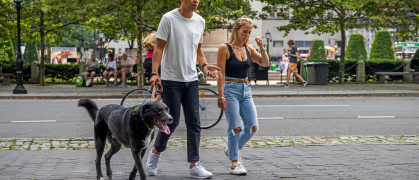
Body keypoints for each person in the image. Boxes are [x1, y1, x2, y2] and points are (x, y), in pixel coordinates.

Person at [146, 0, 220, 179]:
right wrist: (155, 72)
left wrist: (204, 65)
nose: (195, 1)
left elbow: (198, 49)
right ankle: (155, 153)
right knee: (172, 121)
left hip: (191, 80)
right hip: (171, 80)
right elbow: (159, 47)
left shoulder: (200, 21)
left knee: (194, 123)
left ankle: (195, 164)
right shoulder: (169, 19)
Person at [216, 16, 269, 175]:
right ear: (236, 30)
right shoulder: (224, 48)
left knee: (253, 127)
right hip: (230, 89)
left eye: (249, 32)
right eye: (244, 31)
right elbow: (220, 73)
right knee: (235, 128)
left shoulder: (248, 48)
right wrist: (220, 95)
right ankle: (235, 162)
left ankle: (231, 149)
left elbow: (264, 63)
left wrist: (262, 48)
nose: (247, 35)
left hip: (246, 89)